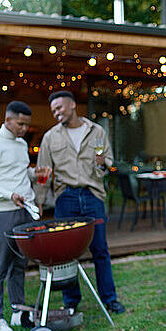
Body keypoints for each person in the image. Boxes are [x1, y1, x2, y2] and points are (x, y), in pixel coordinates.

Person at [35, 90, 125, 314]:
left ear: (72, 104)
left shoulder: (97, 132)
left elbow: (107, 165)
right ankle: (71, 301)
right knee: (66, 252)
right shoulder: (50, 137)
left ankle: (109, 299)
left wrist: (103, 163)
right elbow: (43, 172)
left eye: (59, 108)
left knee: (100, 249)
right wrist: (38, 201)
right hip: (66, 197)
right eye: (53, 110)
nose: (56, 113)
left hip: (93, 195)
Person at [0, 100, 42, 331]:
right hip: (0, 213)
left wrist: (35, 174)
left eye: (27, 124)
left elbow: (19, 172)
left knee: (20, 265)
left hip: (24, 210)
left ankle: (17, 311)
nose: (24, 128)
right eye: (20, 123)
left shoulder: (21, 145)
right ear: (7, 120)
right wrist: (8, 195)